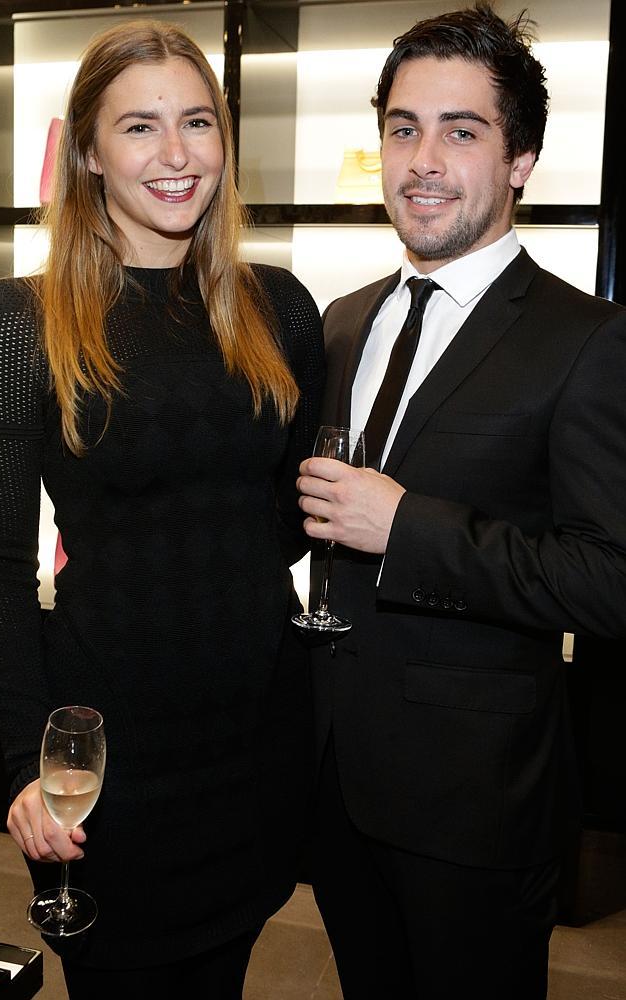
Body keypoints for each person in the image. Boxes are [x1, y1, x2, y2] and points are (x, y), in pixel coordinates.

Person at [0, 19, 324, 1000]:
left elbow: (284, 518)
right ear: (86, 150)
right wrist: (20, 767)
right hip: (106, 768)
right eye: (139, 127)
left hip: (252, 749)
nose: (176, 155)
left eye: (196, 122)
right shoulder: (17, 322)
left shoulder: (279, 308)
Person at [297, 4, 626, 999]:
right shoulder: (342, 320)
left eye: (460, 130)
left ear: (519, 159)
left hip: (474, 807)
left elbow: (608, 580)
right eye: (401, 128)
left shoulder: (585, 339)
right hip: (331, 777)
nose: (421, 159)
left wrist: (408, 528)